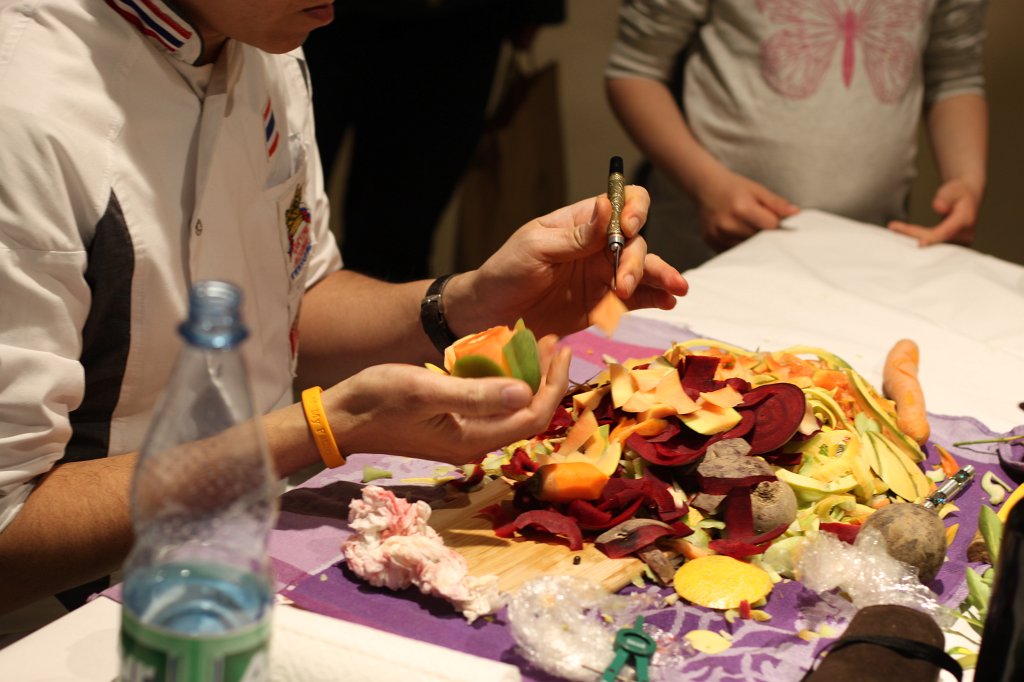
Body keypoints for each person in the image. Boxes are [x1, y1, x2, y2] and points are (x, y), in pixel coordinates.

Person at [0, 0, 687, 629]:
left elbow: (293, 303)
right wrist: (326, 429)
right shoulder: (24, 109)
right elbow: (11, 535)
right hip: (79, 619)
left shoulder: (263, 40)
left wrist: (469, 301)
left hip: (252, 546)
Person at [605, 0, 989, 270]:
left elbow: (955, 75)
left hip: (871, 252)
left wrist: (965, 179)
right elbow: (635, 69)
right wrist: (707, 185)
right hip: (712, 251)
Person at [303, 1, 566, 282]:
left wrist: (535, 9)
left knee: (398, 236)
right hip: (321, 22)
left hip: (453, 24)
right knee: (290, 212)